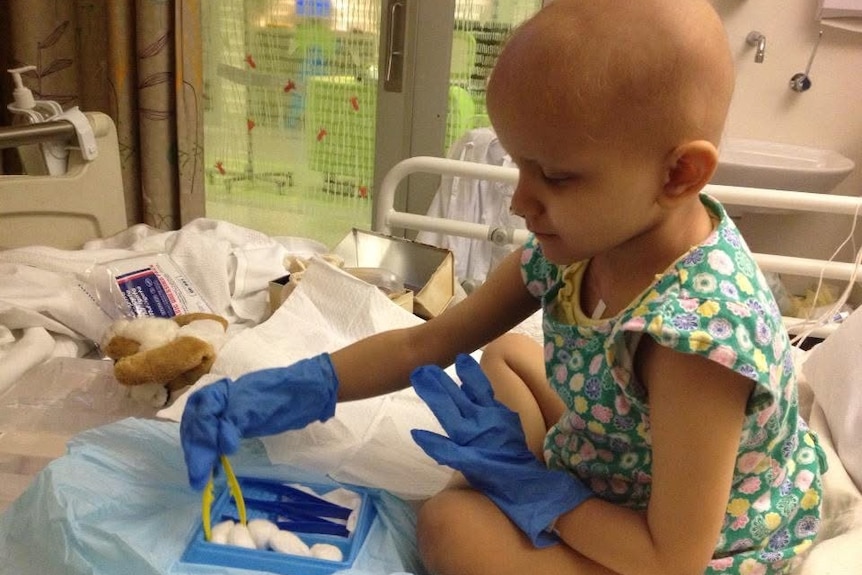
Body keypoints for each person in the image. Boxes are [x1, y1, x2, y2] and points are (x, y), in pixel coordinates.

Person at [180, 1, 826, 573]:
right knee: (505, 356)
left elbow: (673, 558)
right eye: (518, 165)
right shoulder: (587, 243)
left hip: (685, 547)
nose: (521, 201)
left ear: (679, 173)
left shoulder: (695, 343)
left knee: (450, 525)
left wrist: (536, 490)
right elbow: (425, 345)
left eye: (556, 176)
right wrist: (288, 390)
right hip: (626, 458)